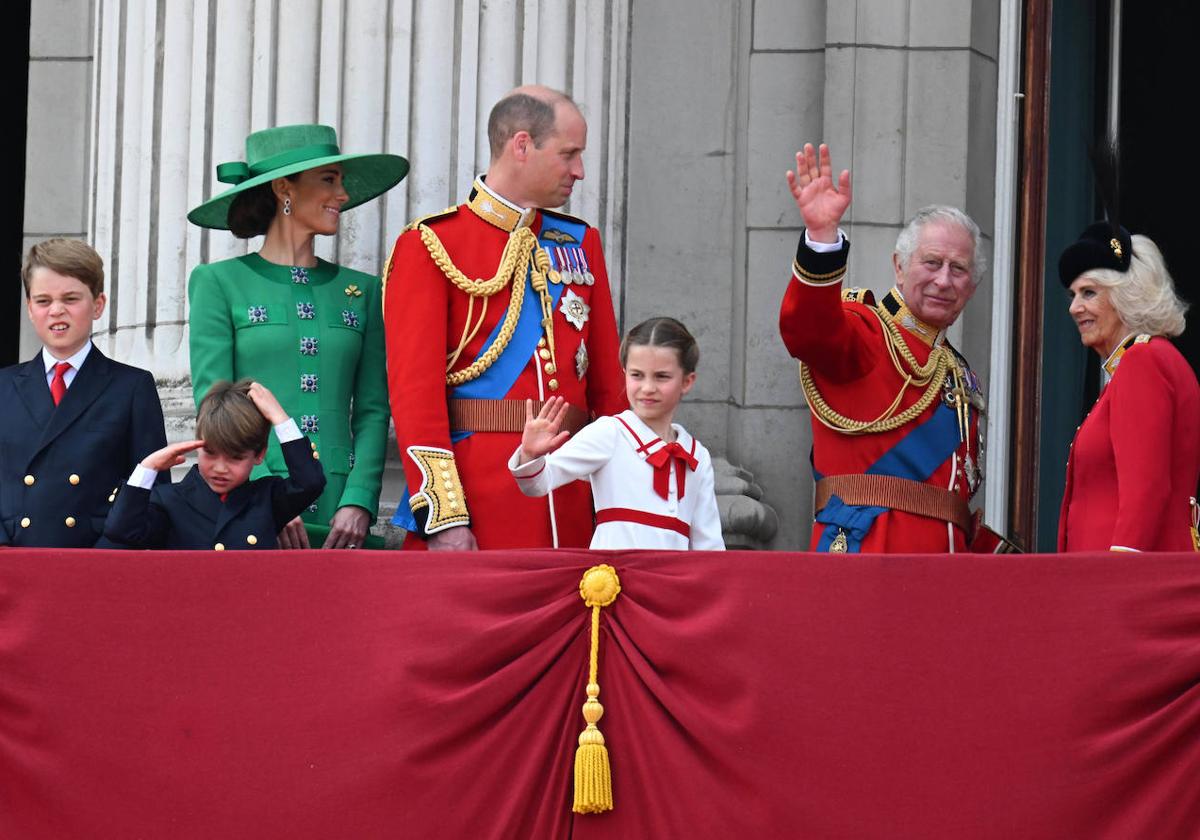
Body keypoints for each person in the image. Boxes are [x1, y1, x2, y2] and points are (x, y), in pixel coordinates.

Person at [384, 85, 625, 550]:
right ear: (521, 145)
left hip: (574, 500)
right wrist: (445, 517)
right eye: (569, 154)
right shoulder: (431, 245)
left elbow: (608, 390)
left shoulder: (580, 243)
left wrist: (619, 503)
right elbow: (415, 396)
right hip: (484, 501)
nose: (579, 171)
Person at [186, 124, 406, 549]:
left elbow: (374, 409)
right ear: (284, 188)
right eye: (329, 180)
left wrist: (360, 499)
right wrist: (267, 494)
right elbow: (213, 401)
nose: (342, 195)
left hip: (340, 508)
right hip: (252, 497)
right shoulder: (217, 282)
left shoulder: (362, 290)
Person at [778, 143, 987, 553]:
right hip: (869, 554)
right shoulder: (867, 332)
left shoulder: (957, 373)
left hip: (946, 575)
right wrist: (821, 239)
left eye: (958, 269)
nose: (944, 281)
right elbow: (808, 330)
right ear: (898, 266)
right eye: (931, 262)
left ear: (972, 287)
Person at [0, 239, 167, 548]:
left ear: (98, 304)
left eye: (71, 298)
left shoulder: (131, 387)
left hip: (94, 563)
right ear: (29, 308)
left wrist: (107, 553)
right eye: (43, 300)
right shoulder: (4, 387)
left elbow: (153, 494)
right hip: (11, 562)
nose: (57, 311)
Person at [510, 317, 724, 550]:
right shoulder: (610, 433)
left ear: (687, 381)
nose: (647, 387)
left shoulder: (697, 456)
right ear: (624, 373)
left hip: (673, 584)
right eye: (637, 375)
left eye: (661, 376)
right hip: (613, 582)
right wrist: (530, 455)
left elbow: (709, 546)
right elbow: (539, 483)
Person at [1056, 223, 1200, 552]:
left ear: (1127, 295)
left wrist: (1121, 579)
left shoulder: (1142, 362)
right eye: (1073, 295)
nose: (1074, 307)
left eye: (1089, 293)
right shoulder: (1140, 365)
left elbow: (1145, 491)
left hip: (1124, 583)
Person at [104, 380, 326, 550]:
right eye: (210, 453)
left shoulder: (265, 498)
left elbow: (310, 482)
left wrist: (279, 417)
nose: (220, 468)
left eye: (235, 457)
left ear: (259, 455)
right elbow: (121, 530)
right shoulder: (169, 500)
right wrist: (147, 467)